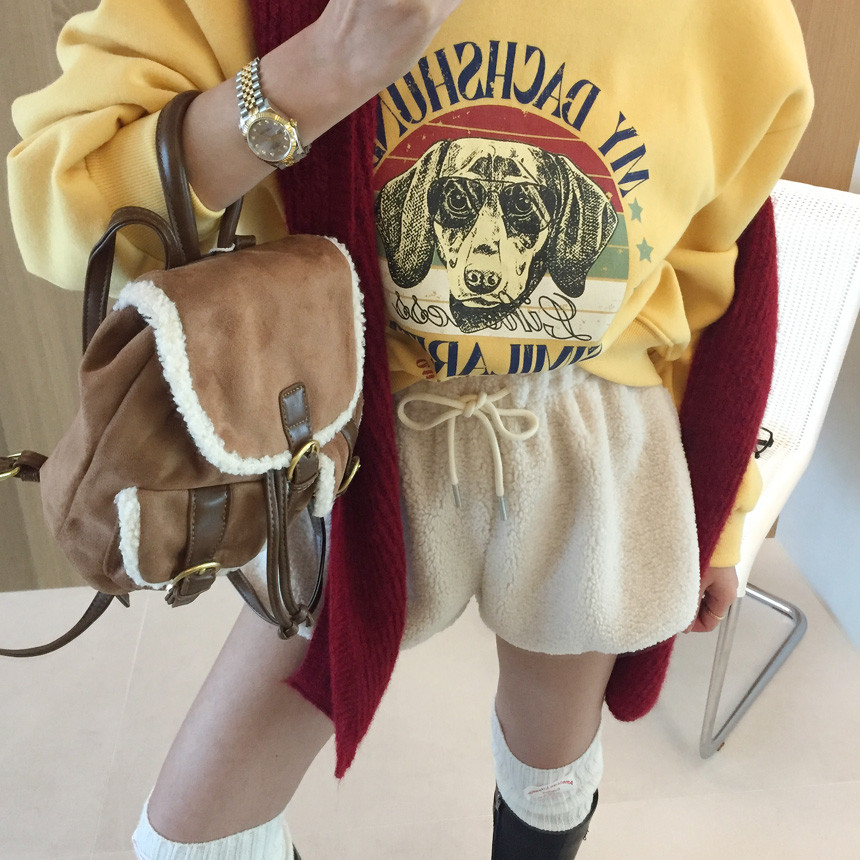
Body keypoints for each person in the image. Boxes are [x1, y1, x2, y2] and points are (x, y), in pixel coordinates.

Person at [7, 0, 813, 857]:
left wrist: (724, 513)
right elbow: (63, 208)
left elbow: (712, 289)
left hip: (595, 441)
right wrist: (321, 68)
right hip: (351, 451)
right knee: (191, 842)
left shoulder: (734, 20)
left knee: (551, 776)